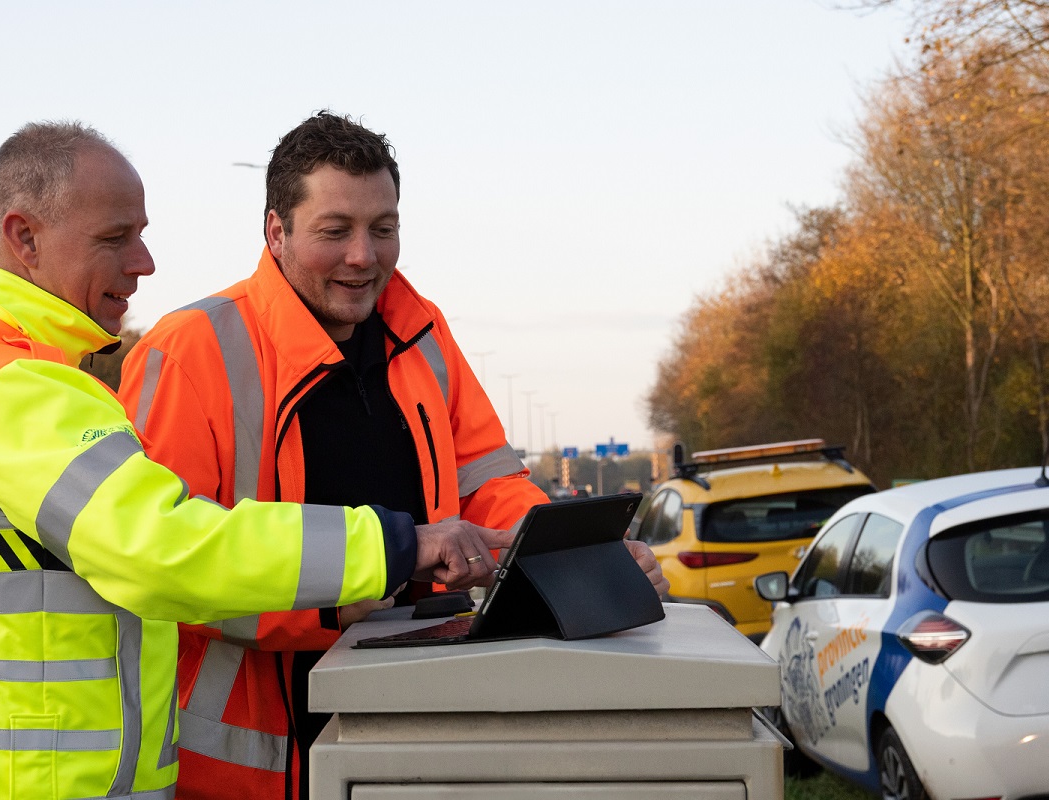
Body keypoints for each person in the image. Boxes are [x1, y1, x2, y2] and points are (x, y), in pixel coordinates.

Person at [0, 120, 510, 800]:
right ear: (24, 237)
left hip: (0, 768)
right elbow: (168, 545)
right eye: (115, 238)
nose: (144, 262)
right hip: (39, 779)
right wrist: (398, 544)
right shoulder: (21, 386)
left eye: (381, 227)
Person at [118, 111, 669, 800]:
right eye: (335, 231)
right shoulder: (190, 350)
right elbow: (164, 563)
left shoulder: (422, 332)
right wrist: (338, 597)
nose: (363, 256)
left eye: (384, 229)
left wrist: (575, 558)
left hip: (414, 730)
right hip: (241, 766)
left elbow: (491, 483)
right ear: (276, 232)